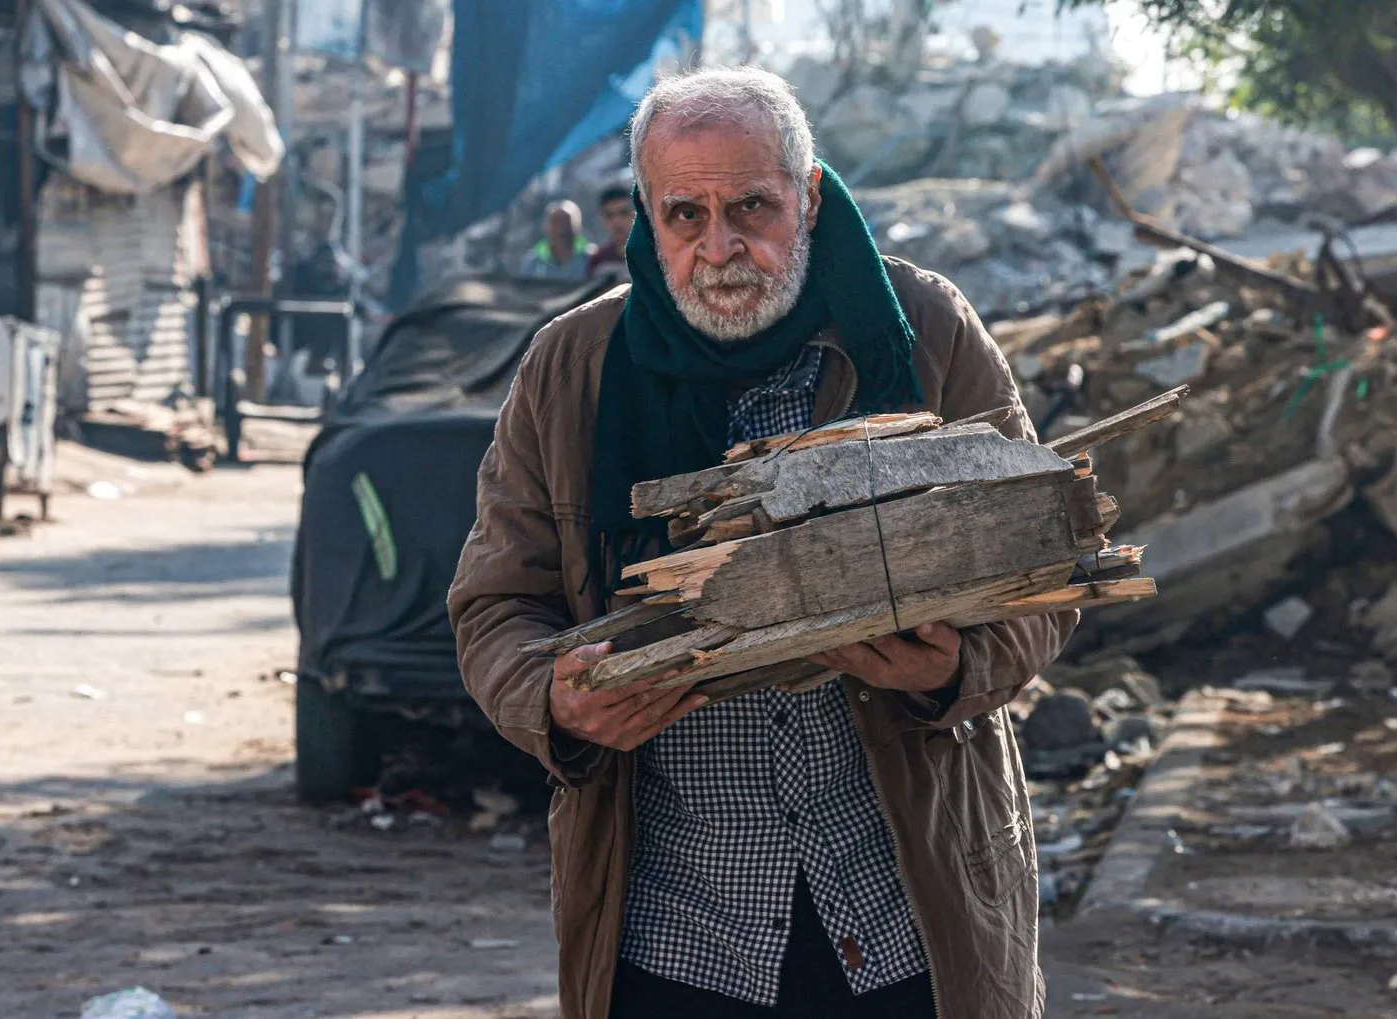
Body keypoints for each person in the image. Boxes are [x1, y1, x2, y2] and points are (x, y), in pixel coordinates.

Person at [450, 67, 1077, 1019]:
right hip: (673, 933)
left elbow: (1048, 566)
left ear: (809, 197)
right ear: (645, 216)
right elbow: (495, 605)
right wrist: (556, 699)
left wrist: (951, 668)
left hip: (909, 910)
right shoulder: (570, 368)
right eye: (685, 215)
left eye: (751, 206)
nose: (720, 247)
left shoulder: (925, 329)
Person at [519, 198, 595, 280]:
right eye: (556, 223)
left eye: (567, 223)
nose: (561, 229)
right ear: (546, 228)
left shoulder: (591, 258)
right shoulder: (533, 262)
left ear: (578, 228)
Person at [588, 182, 636, 281]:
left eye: (624, 213)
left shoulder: (653, 253)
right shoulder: (599, 260)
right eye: (609, 215)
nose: (617, 221)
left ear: (635, 213)